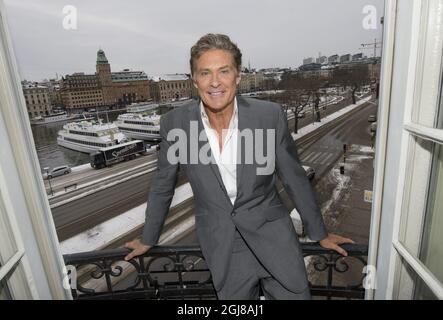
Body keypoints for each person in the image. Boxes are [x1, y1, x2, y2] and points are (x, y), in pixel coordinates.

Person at [125, 33, 354, 300]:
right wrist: (148, 238)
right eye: (205, 73)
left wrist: (319, 233)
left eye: (224, 71)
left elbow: (294, 178)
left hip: (274, 240)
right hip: (224, 248)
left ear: (238, 76)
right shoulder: (175, 124)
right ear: (194, 80)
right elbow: (163, 185)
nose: (214, 82)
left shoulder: (268, 115)